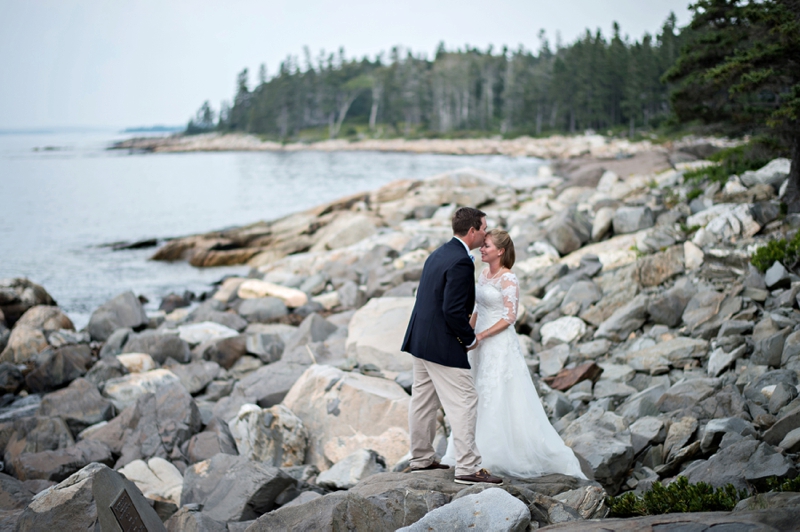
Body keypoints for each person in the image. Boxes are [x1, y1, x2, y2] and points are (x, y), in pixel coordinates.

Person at [442, 229, 587, 479]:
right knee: (475, 392)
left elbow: (510, 317)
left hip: (498, 343)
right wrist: (467, 335)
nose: (482, 249)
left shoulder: (509, 279)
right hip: (478, 344)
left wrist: (482, 335)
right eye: (482, 245)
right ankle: (467, 452)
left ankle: (497, 452)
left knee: (498, 392)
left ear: (500, 251)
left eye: (486, 245)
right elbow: (476, 308)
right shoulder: (484, 274)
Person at [401, 207, 502, 485]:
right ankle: (468, 468)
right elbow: (453, 310)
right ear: (472, 231)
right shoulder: (461, 261)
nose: (485, 233)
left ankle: (421, 459)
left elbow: (427, 298)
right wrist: (468, 340)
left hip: (420, 339)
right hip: (441, 343)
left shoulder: (438, 253)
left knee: (422, 399)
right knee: (465, 401)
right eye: (483, 228)